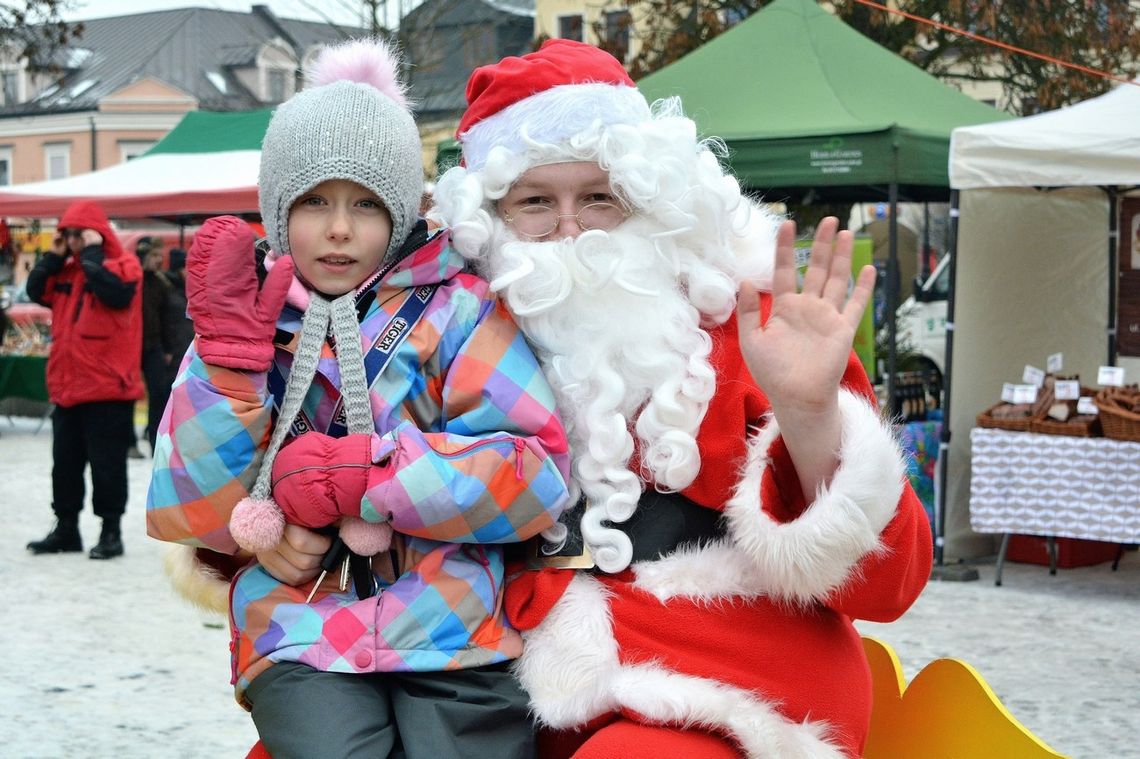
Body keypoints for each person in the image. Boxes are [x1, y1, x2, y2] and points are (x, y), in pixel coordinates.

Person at [430, 39, 933, 759]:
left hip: (729, 683)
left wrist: (811, 415)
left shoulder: (747, 320)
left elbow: (890, 586)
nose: (572, 229)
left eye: (599, 197)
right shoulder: (436, 336)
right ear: (489, 222)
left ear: (650, 202)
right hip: (499, 682)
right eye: (536, 202)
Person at [146, 38, 571, 759]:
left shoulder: (459, 313)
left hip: (453, 631)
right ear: (279, 211)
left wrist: (371, 475)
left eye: (366, 204)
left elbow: (533, 475)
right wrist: (225, 373)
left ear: (402, 213)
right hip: (298, 632)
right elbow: (192, 507)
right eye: (314, 200)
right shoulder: (245, 322)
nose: (340, 228)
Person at [26, 199, 143, 560]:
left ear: (97, 233)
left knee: (107, 466)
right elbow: (35, 290)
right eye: (68, 235)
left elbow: (117, 294)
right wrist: (52, 256)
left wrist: (92, 253)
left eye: (79, 234)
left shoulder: (122, 266)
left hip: (107, 389)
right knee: (65, 464)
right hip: (68, 388)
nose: (74, 241)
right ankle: (66, 528)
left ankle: (111, 532)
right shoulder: (67, 271)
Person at [137, 235, 176, 453]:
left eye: (160, 256)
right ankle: (130, 443)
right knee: (130, 395)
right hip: (132, 346)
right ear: (143, 256)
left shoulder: (161, 284)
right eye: (154, 256)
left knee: (159, 392)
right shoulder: (131, 281)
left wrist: (168, 348)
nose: (159, 260)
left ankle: (155, 442)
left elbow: (166, 318)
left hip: (154, 345)